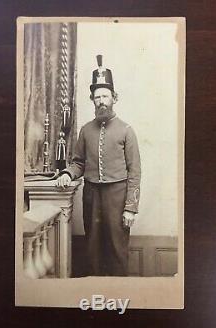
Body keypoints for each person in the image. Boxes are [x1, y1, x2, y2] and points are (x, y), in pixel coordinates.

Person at [56, 55, 141, 276]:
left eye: (105, 96)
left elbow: (135, 172)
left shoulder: (126, 130)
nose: (101, 100)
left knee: (117, 248)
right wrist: (67, 173)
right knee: (92, 247)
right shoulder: (85, 130)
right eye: (97, 97)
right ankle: (94, 295)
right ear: (92, 100)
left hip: (118, 195)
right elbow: (78, 163)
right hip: (91, 195)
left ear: (115, 97)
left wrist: (130, 207)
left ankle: (119, 294)